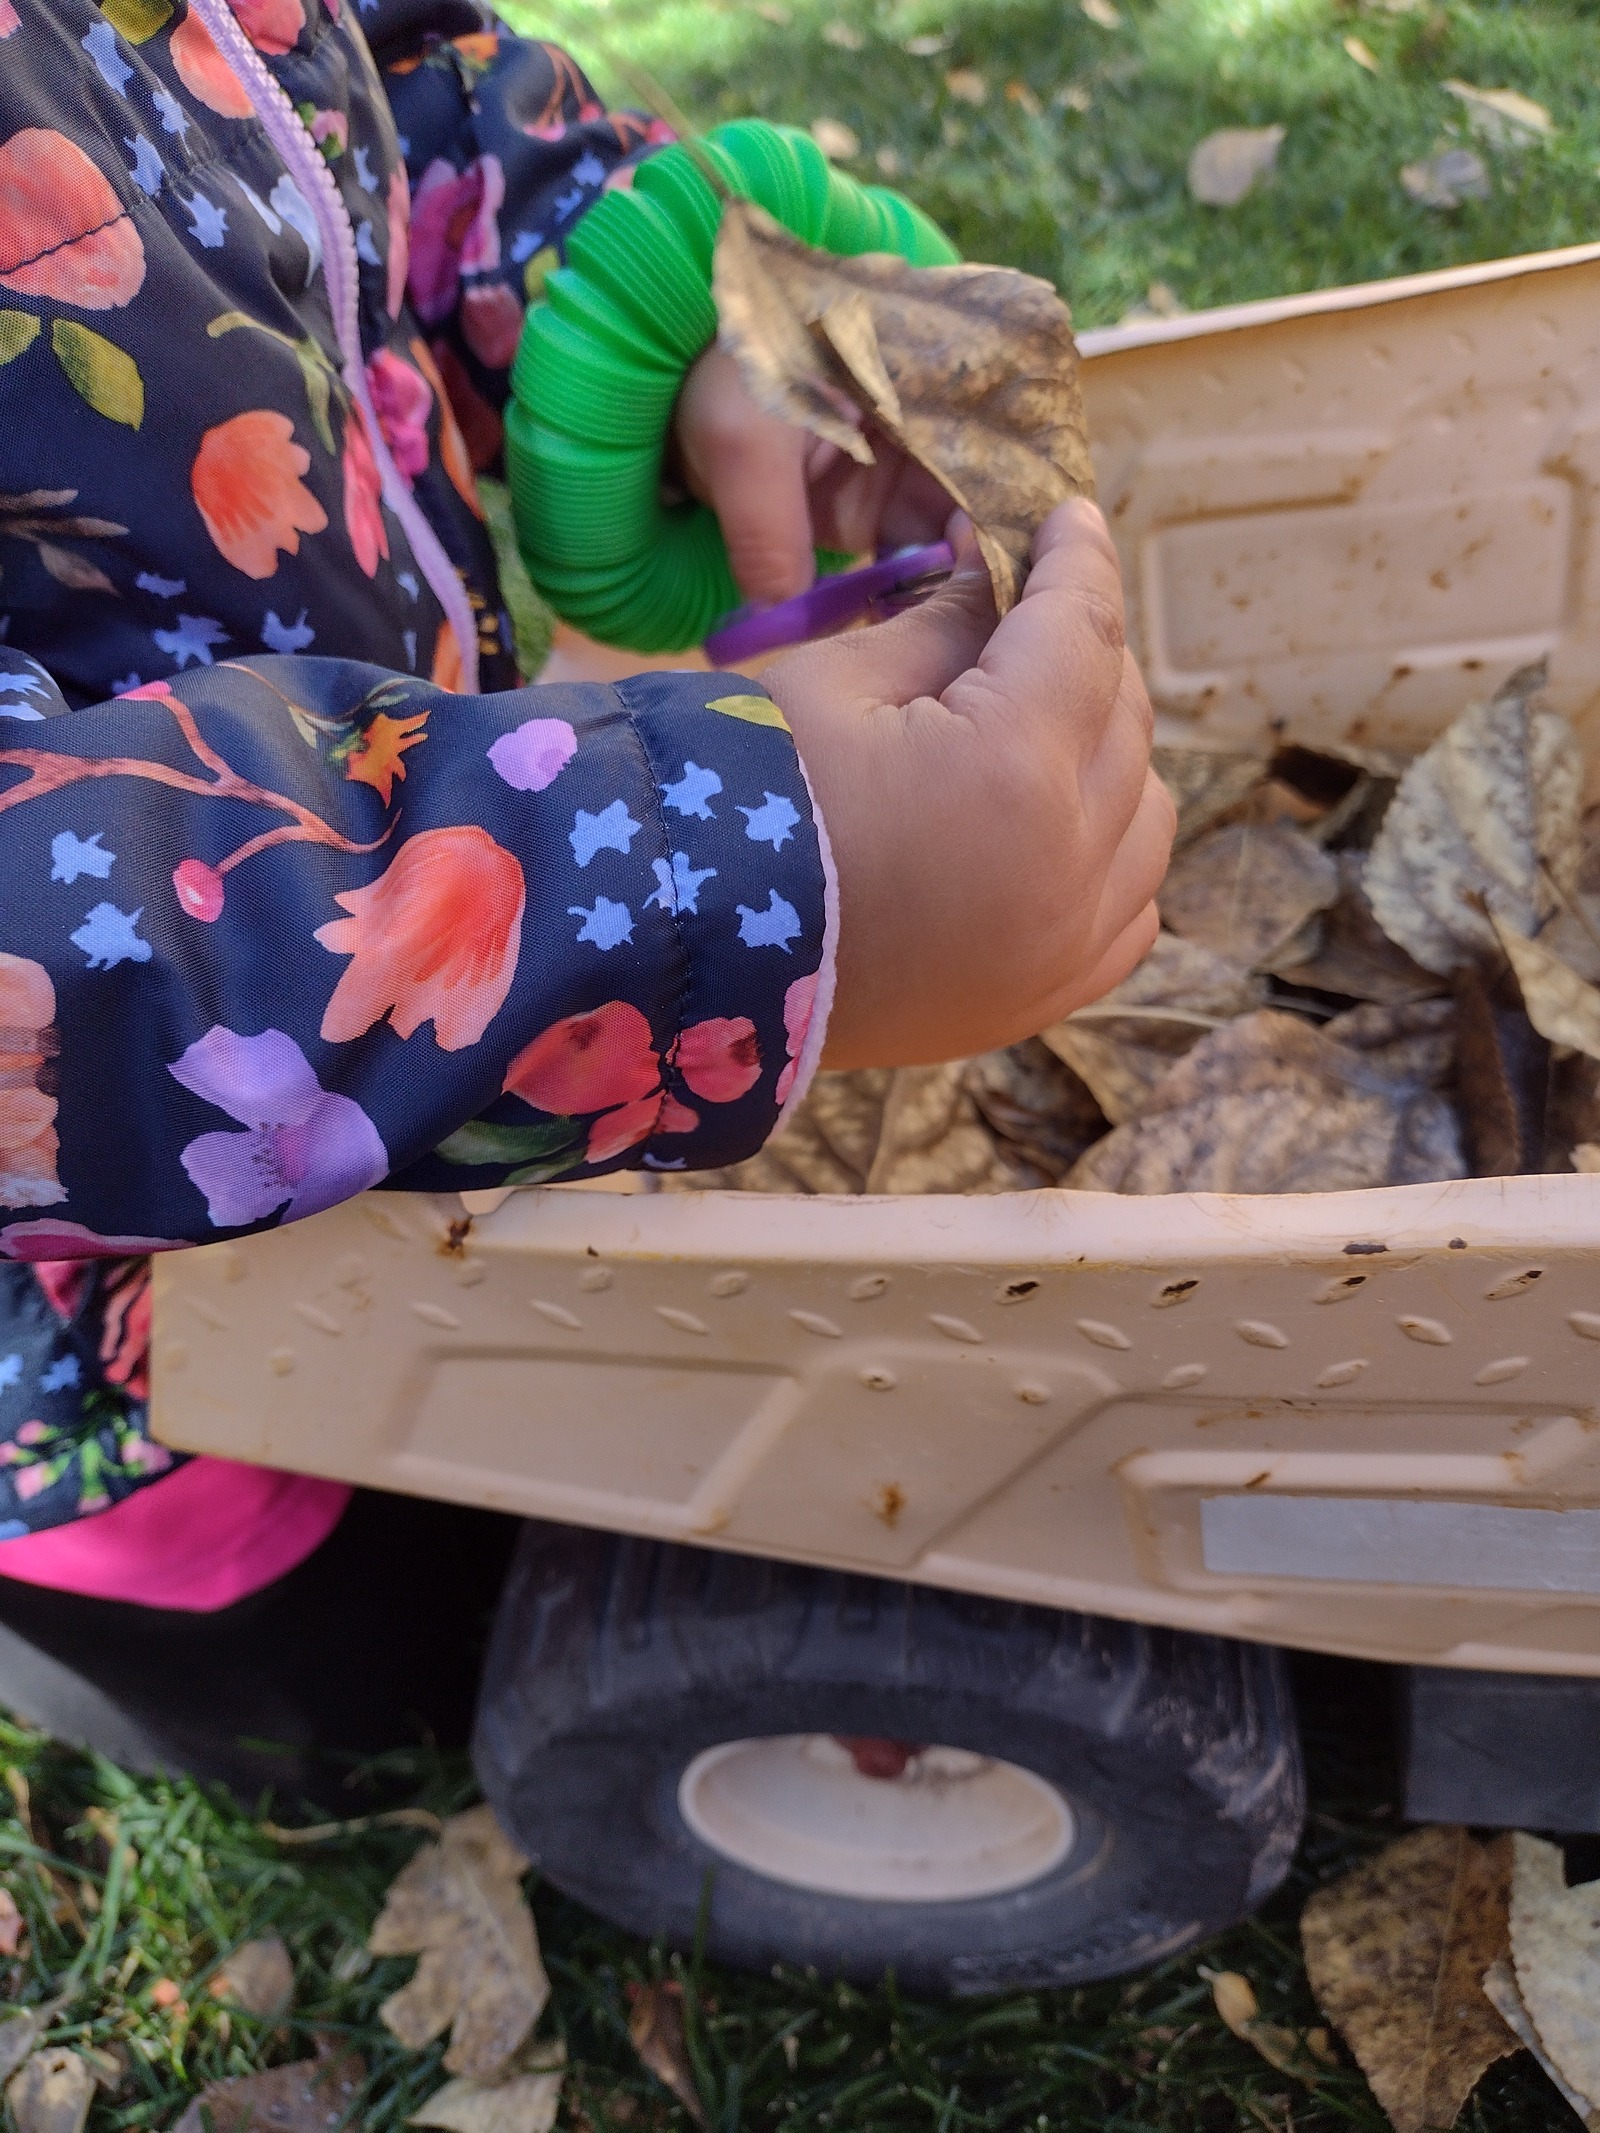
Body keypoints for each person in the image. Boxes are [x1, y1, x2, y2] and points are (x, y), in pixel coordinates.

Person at [0, 0, 1172, 1798]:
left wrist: (655, 319)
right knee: (376, 1680)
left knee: (517, 1403)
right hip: (106, 1323)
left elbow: (382, 83)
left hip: (414, 942)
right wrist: (726, 874)